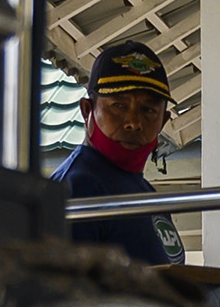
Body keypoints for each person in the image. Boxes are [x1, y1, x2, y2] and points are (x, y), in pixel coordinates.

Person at [56, 37, 181, 267]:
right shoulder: (76, 188)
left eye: (148, 110)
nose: (134, 122)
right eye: (118, 105)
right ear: (87, 111)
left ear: (163, 122)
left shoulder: (149, 194)